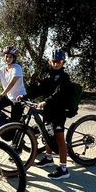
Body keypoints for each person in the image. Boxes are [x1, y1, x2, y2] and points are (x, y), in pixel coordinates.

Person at [17, 48, 71, 180]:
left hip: (58, 111)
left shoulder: (64, 77)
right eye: (54, 61)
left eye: (58, 61)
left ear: (63, 62)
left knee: (59, 139)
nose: (56, 64)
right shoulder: (49, 76)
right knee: (47, 134)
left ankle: (64, 169)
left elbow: (59, 93)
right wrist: (25, 96)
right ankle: (48, 159)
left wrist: (46, 102)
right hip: (48, 110)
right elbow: (40, 90)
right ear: (50, 61)